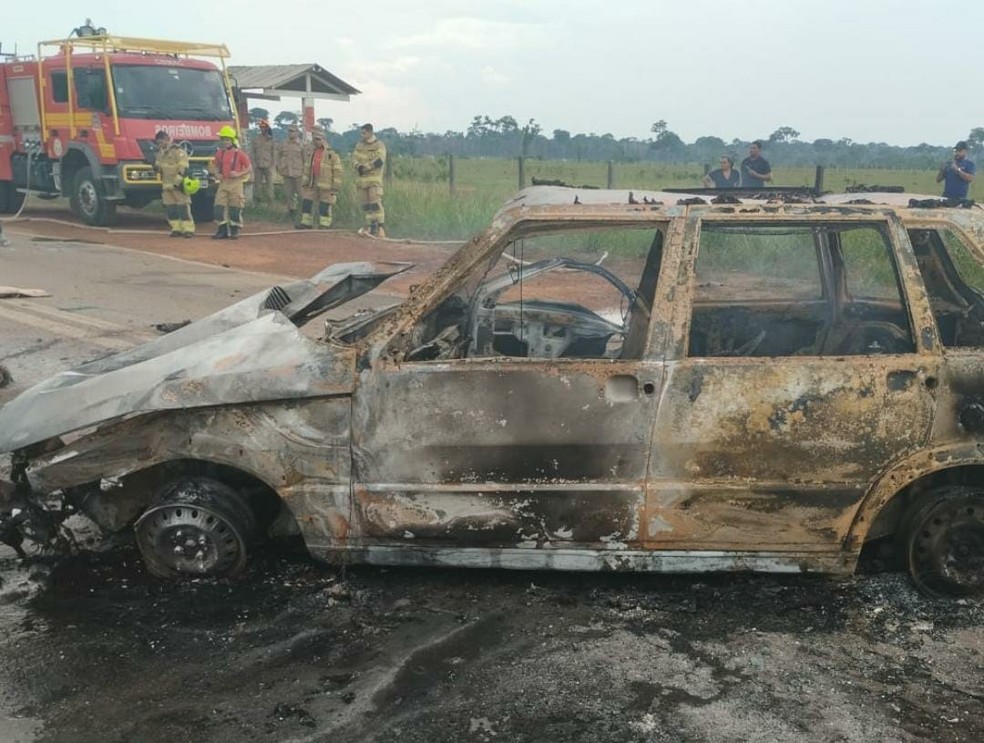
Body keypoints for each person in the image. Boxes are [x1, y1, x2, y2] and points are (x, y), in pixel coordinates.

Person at [210, 125, 252, 240]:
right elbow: (214, 165)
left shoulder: (240, 154)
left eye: (227, 140)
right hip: (223, 182)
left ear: (232, 140)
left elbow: (249, 168)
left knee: (235, 208)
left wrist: (238, 174)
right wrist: (216, 173)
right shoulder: (219, 153)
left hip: (236, 183)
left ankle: (234, 230)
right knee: (219, 207)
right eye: (223, 139)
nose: (225, 142)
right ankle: (222, 230)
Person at [297, 126, 343, 229]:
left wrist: (335, 187)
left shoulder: (331, 153)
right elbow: (307, 168)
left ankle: (325, 224)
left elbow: (337, 171)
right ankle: (306, 222)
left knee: (324, 205)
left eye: (318, 139)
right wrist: (305, 182)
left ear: (323, 139)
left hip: (326, 184)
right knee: (307, 202)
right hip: (312, 182)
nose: (316, 141)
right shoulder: (312, 152)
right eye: (314, 139)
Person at [152, 131, 195, 238]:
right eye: (158, 143)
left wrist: (177, 182)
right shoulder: (160, 154)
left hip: (178, 185)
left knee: (183, 208)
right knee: (170, 209)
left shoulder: (178, 152)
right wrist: (155, 166)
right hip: (166, 185)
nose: (160, 145)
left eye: (161, 142)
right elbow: (159, 168)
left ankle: (188, 229)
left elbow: (183, 167)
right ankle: (176, 228)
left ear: (167, 139)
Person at [351, 123, 387, 237]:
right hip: (362, 182)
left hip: (374, 181)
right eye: (361, 133)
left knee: (375, 204)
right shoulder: (359, 145)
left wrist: (366, 167)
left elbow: (380, 160)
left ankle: (380, 227)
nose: (362, 135)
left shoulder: (379, 145)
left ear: (370, 132)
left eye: (364, 133)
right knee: (366, 206)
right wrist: (358, 166)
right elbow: (354, 159)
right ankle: (370, 227)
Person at [277, 124, 304, 218]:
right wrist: (279, 167)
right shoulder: (283, 144)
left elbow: (305, 160)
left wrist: (305, 172)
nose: (290, 133)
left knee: (301, 195)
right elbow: (278, 156)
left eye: (292, 131)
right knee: (288, 194)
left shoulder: (302, 145)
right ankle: (291, 211)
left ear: (297, 132)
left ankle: (303, 212)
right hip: (287, 173)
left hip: (298, 174)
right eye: (289, 131)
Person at [250, 119, 276, 202]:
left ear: (267, 128)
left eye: (264, 127)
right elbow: (252, 153)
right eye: (261, 127)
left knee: (270, 185)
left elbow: (274, 154)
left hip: (268, 166)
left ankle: (270, 202)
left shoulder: (272, 140)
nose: (262, 129)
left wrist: (273, 166)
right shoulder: (255, 139)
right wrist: (253, 164)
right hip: (258, 166)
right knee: (257, 185)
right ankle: (257, 202)